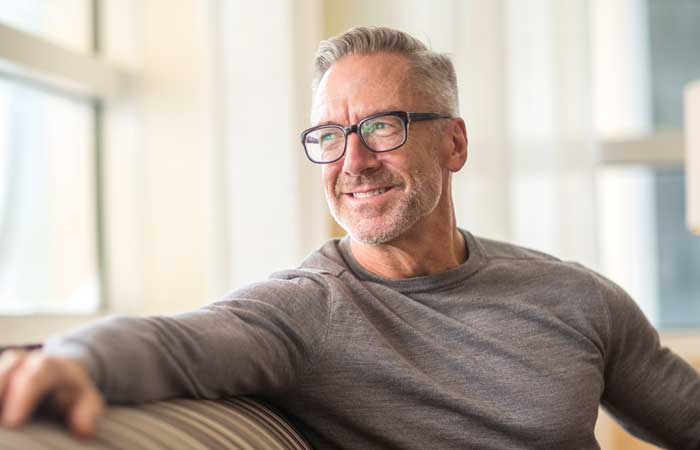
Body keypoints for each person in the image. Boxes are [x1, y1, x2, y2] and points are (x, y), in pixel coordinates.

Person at [1, 26, 699, 450]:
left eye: (383, 127)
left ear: (453, 143)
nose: (353, 162)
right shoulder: (304, 313)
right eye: (329, 136)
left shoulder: (575, 297)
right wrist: (75, 361)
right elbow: (180, 342)